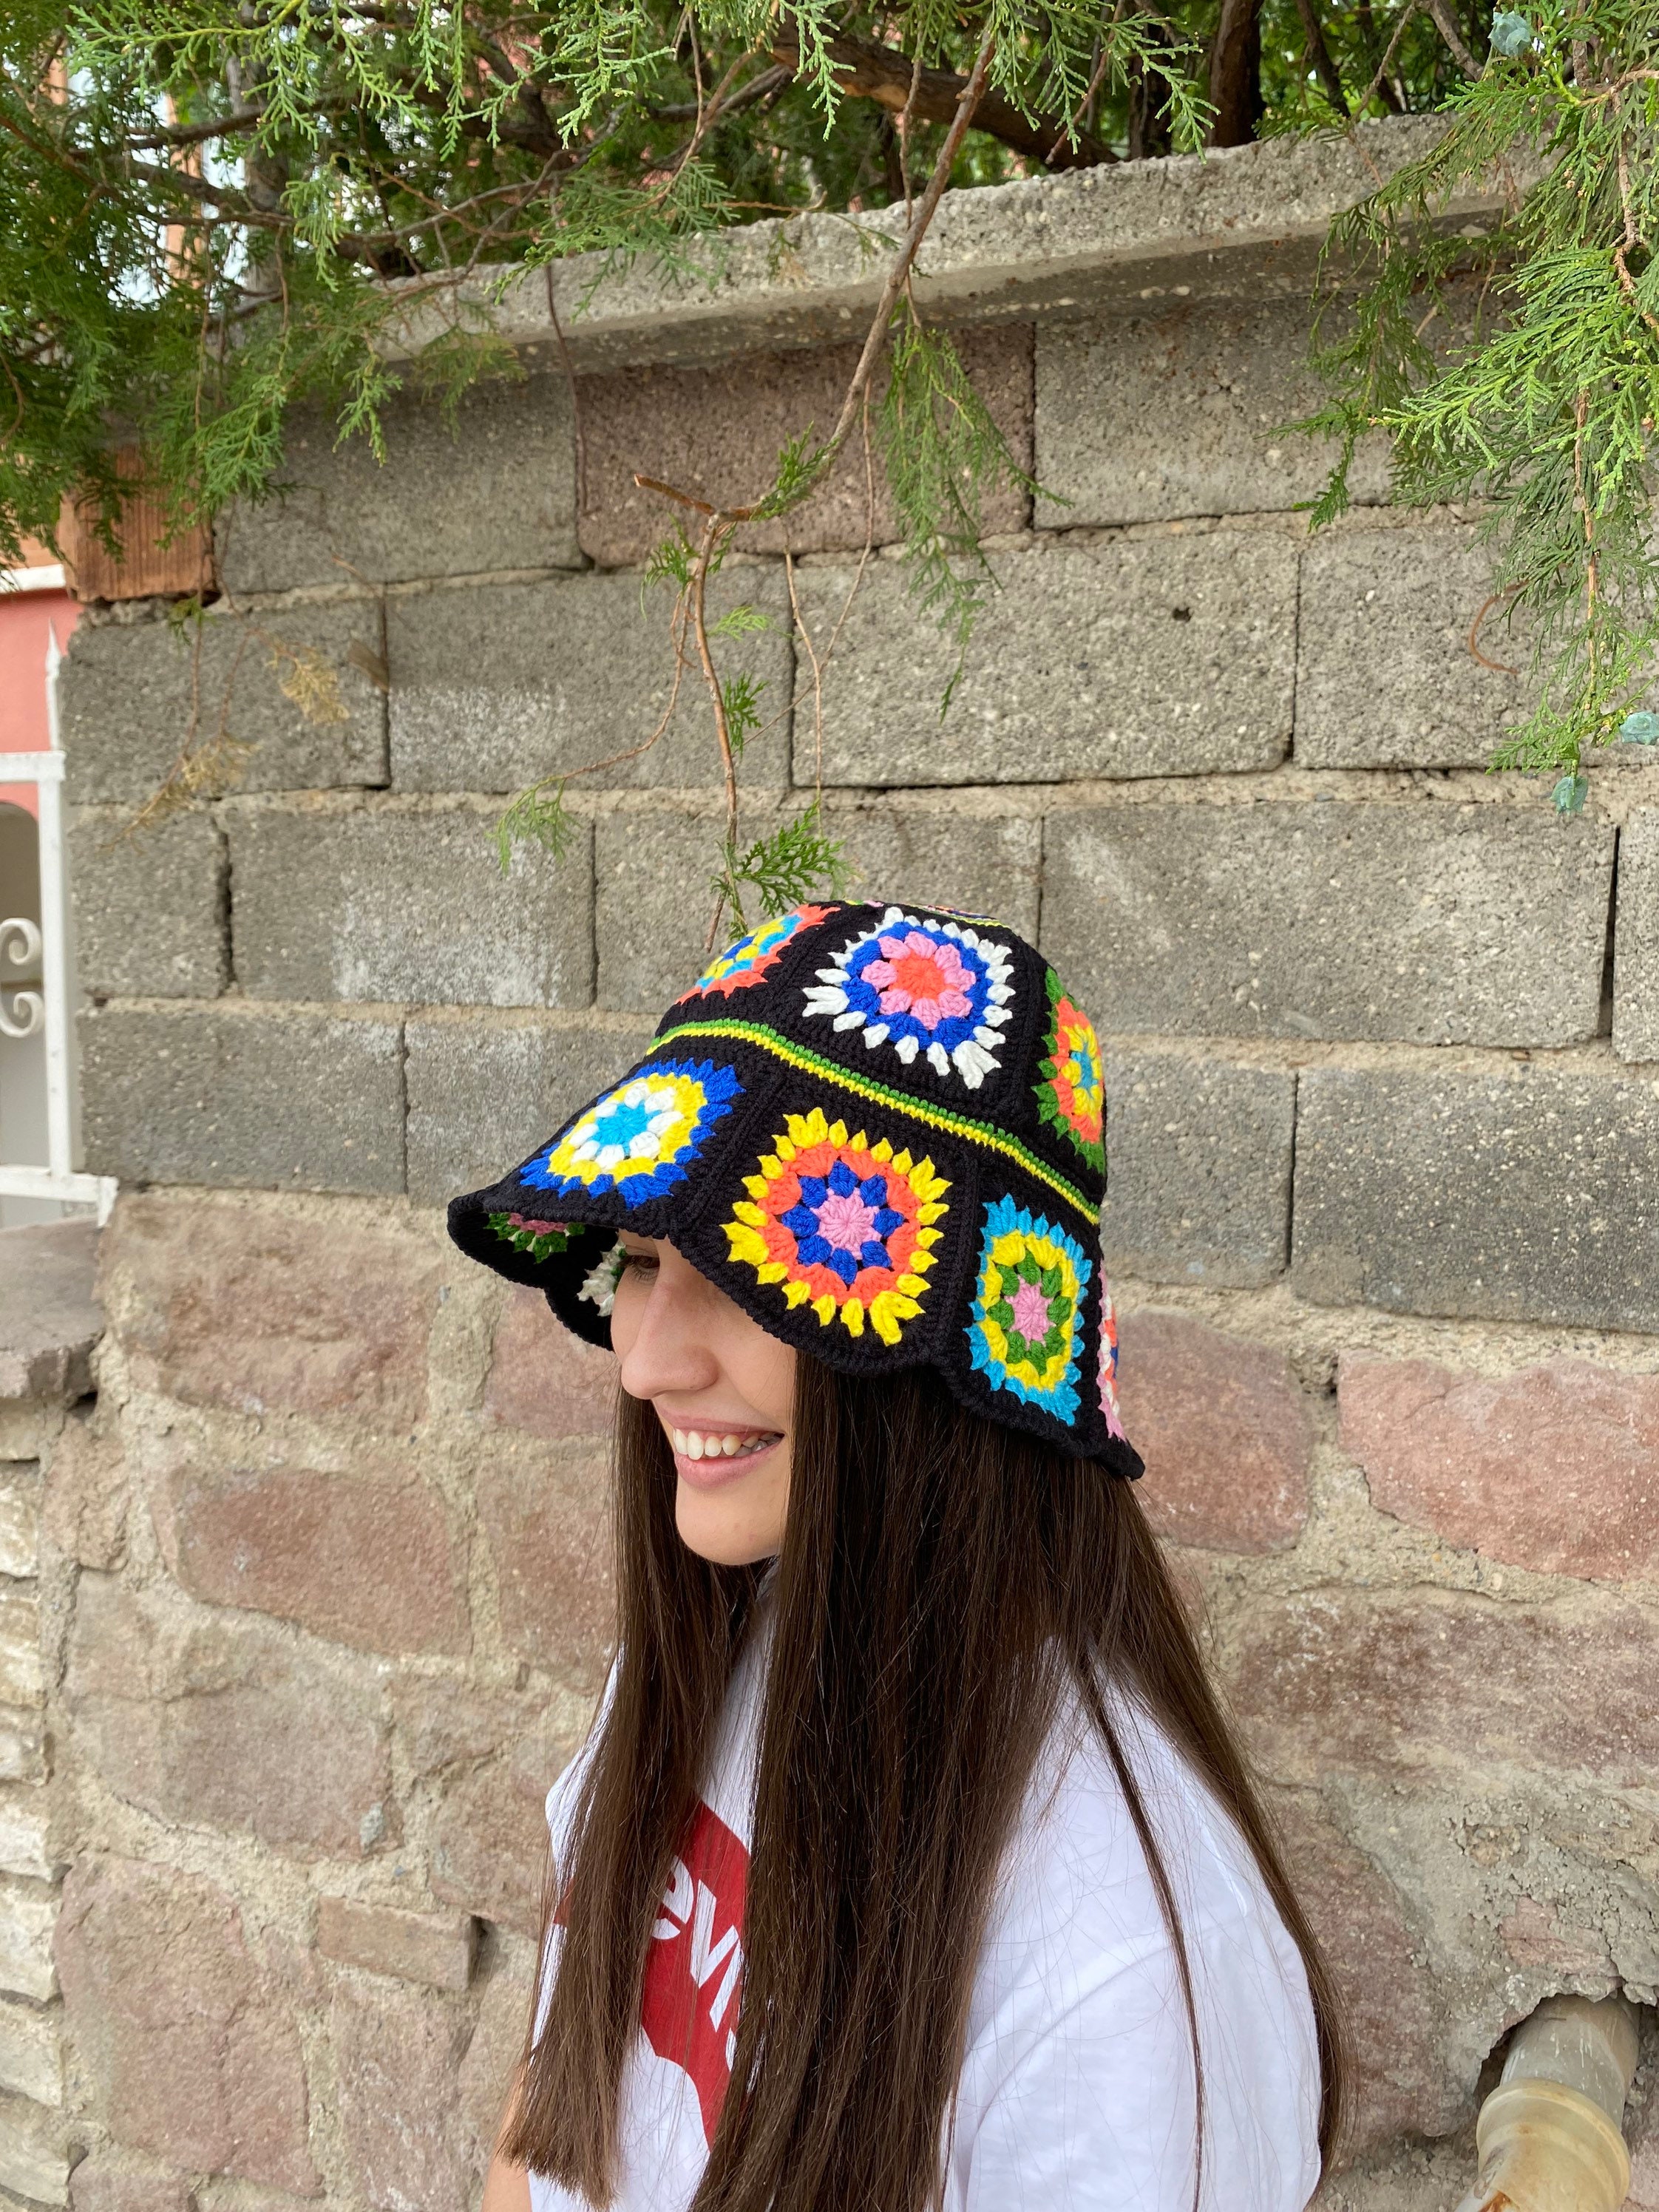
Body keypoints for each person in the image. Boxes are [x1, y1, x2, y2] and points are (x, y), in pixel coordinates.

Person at [447, 898, 1344, 2212]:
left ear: (952, 1371)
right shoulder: (720, 1640)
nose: (644, 1362)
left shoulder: (1125, 1976)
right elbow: (562, 2111)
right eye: (641, 1262)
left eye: (745, 1282)